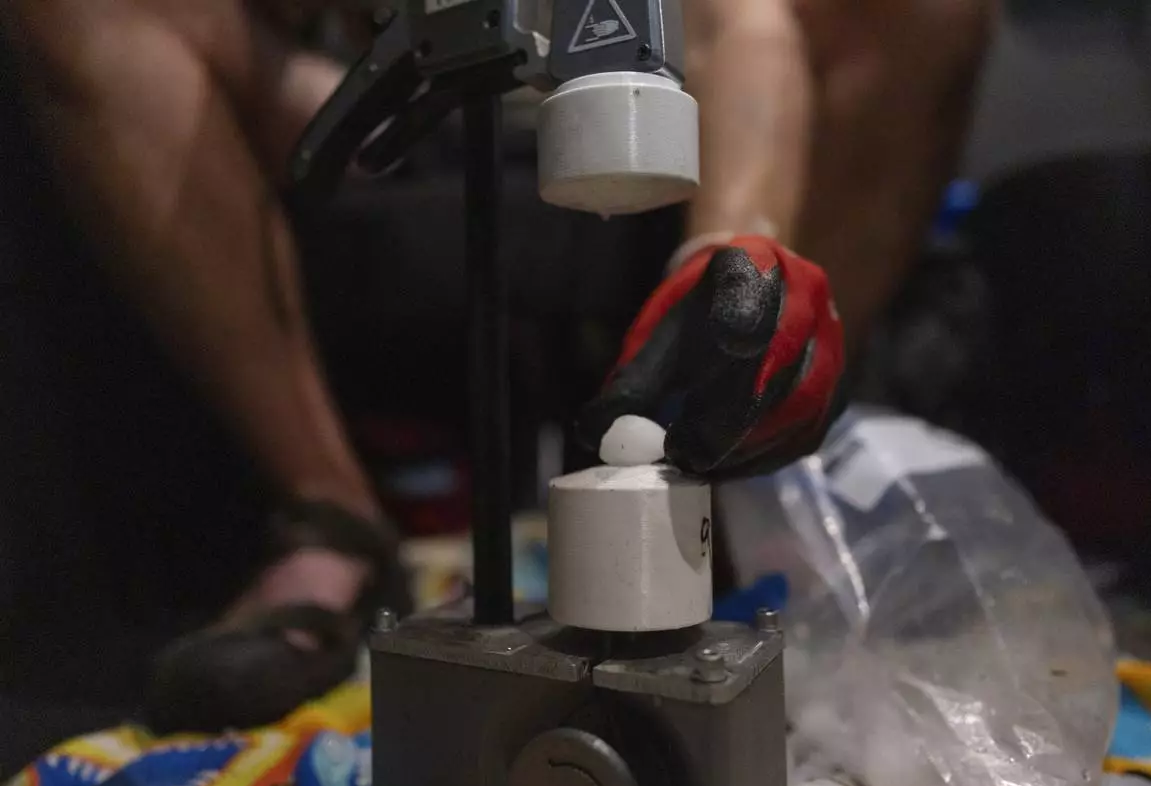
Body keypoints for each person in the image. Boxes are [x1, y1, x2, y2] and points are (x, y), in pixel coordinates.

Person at [0, 0, 994, 734]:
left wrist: (733, 248)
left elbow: (739, 22)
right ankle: (331, 512)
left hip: (652, 113)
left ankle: (739, 451)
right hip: (359, 98)